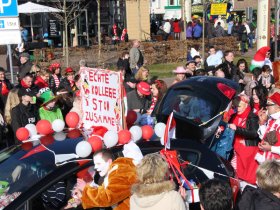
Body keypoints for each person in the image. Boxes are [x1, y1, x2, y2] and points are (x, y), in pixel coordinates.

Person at [229, 94, 260, 185]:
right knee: (234, 172)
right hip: (234, 147)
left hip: (247, 148)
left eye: (239, 106)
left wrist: (237, 129)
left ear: (246, 105)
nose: (237, 108)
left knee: (244, 176)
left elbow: (254, 133)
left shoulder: (252, 117)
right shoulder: (234, 115)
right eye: (235, 106)